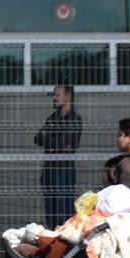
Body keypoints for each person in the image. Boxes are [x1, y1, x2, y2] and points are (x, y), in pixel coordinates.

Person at [34, 85, 83, 229]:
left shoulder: (74, 119)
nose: (54, 98)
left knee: (63, 214)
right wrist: (53, 139)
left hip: (63, 171)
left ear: (68, 97)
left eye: (57, 95)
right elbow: (37, 138)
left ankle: (65, 249)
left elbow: (62, 144)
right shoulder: (53, 117)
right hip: (49, 170)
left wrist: (49, 136)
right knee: (51, 214)